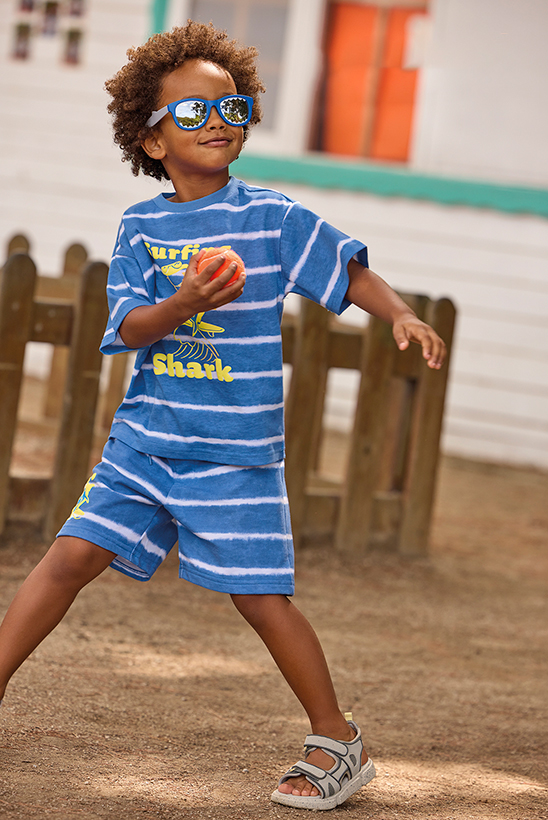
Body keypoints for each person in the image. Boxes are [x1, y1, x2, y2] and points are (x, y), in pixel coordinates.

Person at [0, 21, 446, 810]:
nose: (217, 122)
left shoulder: (271, 219)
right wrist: (183, 302)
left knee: (260, 598)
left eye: (232, 109)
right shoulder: (143, 227)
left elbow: (348, 269)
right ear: (151, 135)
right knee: (67, 559)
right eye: (195, 111)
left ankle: (338, 741)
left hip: (234, 454)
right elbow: (129, 330)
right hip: (144, 442)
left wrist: (400, 316)